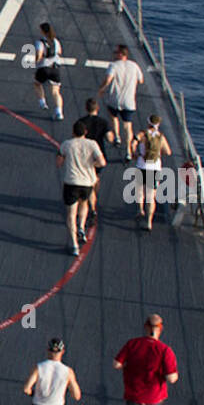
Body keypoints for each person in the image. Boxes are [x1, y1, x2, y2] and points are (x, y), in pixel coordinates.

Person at [55, 118, 105, 257]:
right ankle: (82, 227)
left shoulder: (66, 144)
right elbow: (102, 162)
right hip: (87, 182)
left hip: (71, 182)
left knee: (71, 213)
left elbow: (58, 163)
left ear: (73, 132)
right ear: (85, 132)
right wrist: (91, 165)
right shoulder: (92, 144)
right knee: (84, 204)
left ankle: (74, 244)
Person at [97, 44, 146, 149]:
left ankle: (117, 137)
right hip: (129, 101)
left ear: (120, 54)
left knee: (114, 118)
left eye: (116, 52)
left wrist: (101, 89)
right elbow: (141, 81)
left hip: (114, 99)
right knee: (128, 126)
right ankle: (128, 150)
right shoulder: (134, 66)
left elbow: (108, 80)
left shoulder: (114, 66)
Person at [129, 114, 173, 231]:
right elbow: (168, 152)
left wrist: (135, 154)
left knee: (139, 191)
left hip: (141, 165)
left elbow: (133, 143)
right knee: (150, 196)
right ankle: (149, 222)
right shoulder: (161, 137)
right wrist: (158, 154)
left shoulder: (143, 134)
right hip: (154, 168)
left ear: (148, 122)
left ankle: (140, 210)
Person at [81, 98, 114, 222]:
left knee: (88, 179)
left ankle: (91, 205)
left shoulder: (81, 122)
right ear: (97, 109)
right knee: (96, 177)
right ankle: (94, 197)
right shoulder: (103, 122)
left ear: (86, 108)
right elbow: (110, 138)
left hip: (86, 154)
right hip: (99, 154)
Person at [32, 23, 63, 119]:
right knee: (55, 91)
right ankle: (59, 112)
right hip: (54, 69)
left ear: (42, 31)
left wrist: (35, 61)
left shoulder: (40, 42)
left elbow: (39, 55)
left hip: (43, 68)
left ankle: (42, 102)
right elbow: (60, 52)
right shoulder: (56, 41)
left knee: (37, 84)